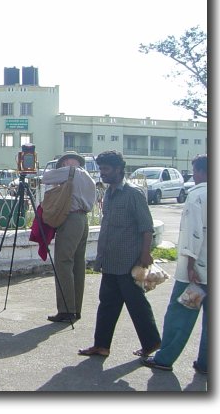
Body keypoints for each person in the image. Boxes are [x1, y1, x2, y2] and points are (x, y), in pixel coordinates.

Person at [78, 150, 161, 358]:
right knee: (107, 305)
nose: (102, 173)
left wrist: (145, 254)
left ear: (118, 169)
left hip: (129, 262)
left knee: (137, 306)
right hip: (110, 261)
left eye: (106, 169)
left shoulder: (133, 194)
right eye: (101, 169)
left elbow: (146, 227)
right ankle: (101, 346)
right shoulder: (109, 193)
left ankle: (151, 344)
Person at [141, 154, 208, 373]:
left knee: (181, 315)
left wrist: (189, 265)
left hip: (197, 270)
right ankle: (207, 362)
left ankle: (165, 358)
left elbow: (193, 234)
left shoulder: (197, 195)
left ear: (199, 171)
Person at [42, 151, 96, 323]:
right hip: (82, 220)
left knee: (63, 263)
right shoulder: (88, 176)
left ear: (67, 162)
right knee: (78, 265)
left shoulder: (71, 172)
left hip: (71, 219)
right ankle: (75, 308)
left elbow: (46, 177)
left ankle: (66, 309)